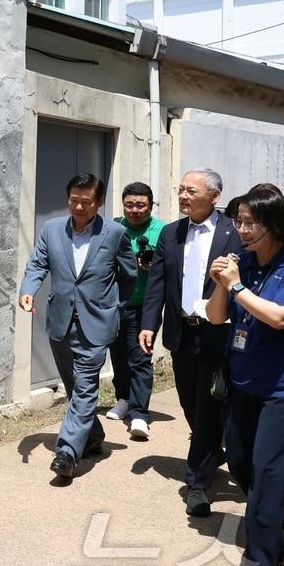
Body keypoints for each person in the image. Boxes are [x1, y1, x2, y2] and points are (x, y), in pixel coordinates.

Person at [207, 186, 284, 566]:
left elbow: (280, 317)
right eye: (237, 221)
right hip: (244, 383)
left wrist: (237, 286)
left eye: (250, 222)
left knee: (270, 473)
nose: (241, 229)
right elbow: (216, 317)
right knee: (240, 462)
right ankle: (266, 517)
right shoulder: (246, 264)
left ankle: (264, 561)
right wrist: (222, 285)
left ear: (274, 224)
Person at [19, 173, 135, 481]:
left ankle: (68, 453)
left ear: (98, 202)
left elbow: (129, 275)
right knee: (73, 386)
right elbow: (37, 263)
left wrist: (113, 307)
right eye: (74, 201)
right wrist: (28, 290)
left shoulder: (114, 233)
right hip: (60, 321)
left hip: (96, 325)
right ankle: (93, 435)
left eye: (86, 202)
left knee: (85, 387)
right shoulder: (52, 229)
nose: (79, 207)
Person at [139, 169, 241, 517]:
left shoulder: (234, 232)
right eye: (180, 190)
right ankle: (213, 447)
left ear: (215, 195)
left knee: (210, 400)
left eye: (191, 190)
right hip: (182, 332)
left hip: (219, 332)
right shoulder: (170, 233)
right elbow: (157, 285)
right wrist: (149, 325)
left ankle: (197, 481)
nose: (183, 196)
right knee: (188, 401)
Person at [109, 182, 164, 440]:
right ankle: (123, 399)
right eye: (129, 205)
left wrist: (150, 267)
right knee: (118, 357)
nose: (134, 210)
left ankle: (140, 414)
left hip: (145, 307)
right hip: (115, 305)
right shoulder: (113, 227)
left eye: (141, 205)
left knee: (140, 359)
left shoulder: (162, 231)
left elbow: (169, 268)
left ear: (150, 206)